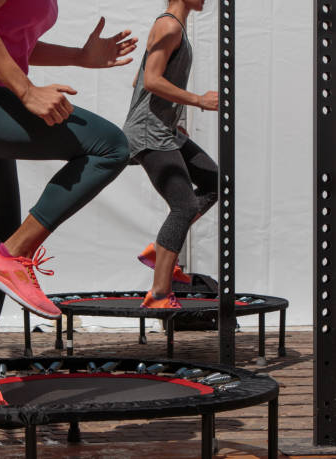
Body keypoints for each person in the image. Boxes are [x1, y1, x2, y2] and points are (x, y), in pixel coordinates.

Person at [0, 0, 138, 405]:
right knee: (108, 146)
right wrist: (25, 90)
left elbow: (13, 41)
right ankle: (16, 254)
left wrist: (79, 57)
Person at [122, 0, 218, 309]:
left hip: (163, 128)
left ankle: (157, 252)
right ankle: (159, 293)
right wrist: (197, 101)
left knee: (214, 182)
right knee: (184, 206)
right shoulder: (169, 25)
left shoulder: (175, 28)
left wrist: (172, 118)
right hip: (149, 132)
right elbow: (151, 79)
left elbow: (140, 80)